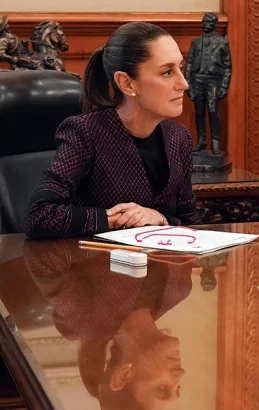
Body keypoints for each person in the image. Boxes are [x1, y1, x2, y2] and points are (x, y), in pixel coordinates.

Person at [23, 22, 201, 239]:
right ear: (126, 83)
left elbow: (191, 226)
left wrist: (160, 218)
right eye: (167, 72)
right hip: (94, 267)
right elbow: (39, 216)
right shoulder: (85, 132)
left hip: (160, 268)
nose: (184, 84)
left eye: (179, 69)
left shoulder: (178, 137)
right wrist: (116, 219)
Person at [22, 240, 192, 409]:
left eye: (162, 388)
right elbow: (185, 228)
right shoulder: (179, 289)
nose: (180, 374)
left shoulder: (84, 320)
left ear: (123, 376)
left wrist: (121, 238)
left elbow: (42, 255)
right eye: (177, 388)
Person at [185, 13, 231, 155]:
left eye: (207, 22)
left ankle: (215, 142)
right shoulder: (196, 42)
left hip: (213, 81)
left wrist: (224, 86)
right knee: (199, 112)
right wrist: (188, 84)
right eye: (203, 21)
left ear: (214, 24)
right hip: (197, 79)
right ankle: (201, 141)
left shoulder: (222, 43)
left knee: (212, 111)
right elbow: (189, 62)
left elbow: (227, 66)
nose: (204, 24)